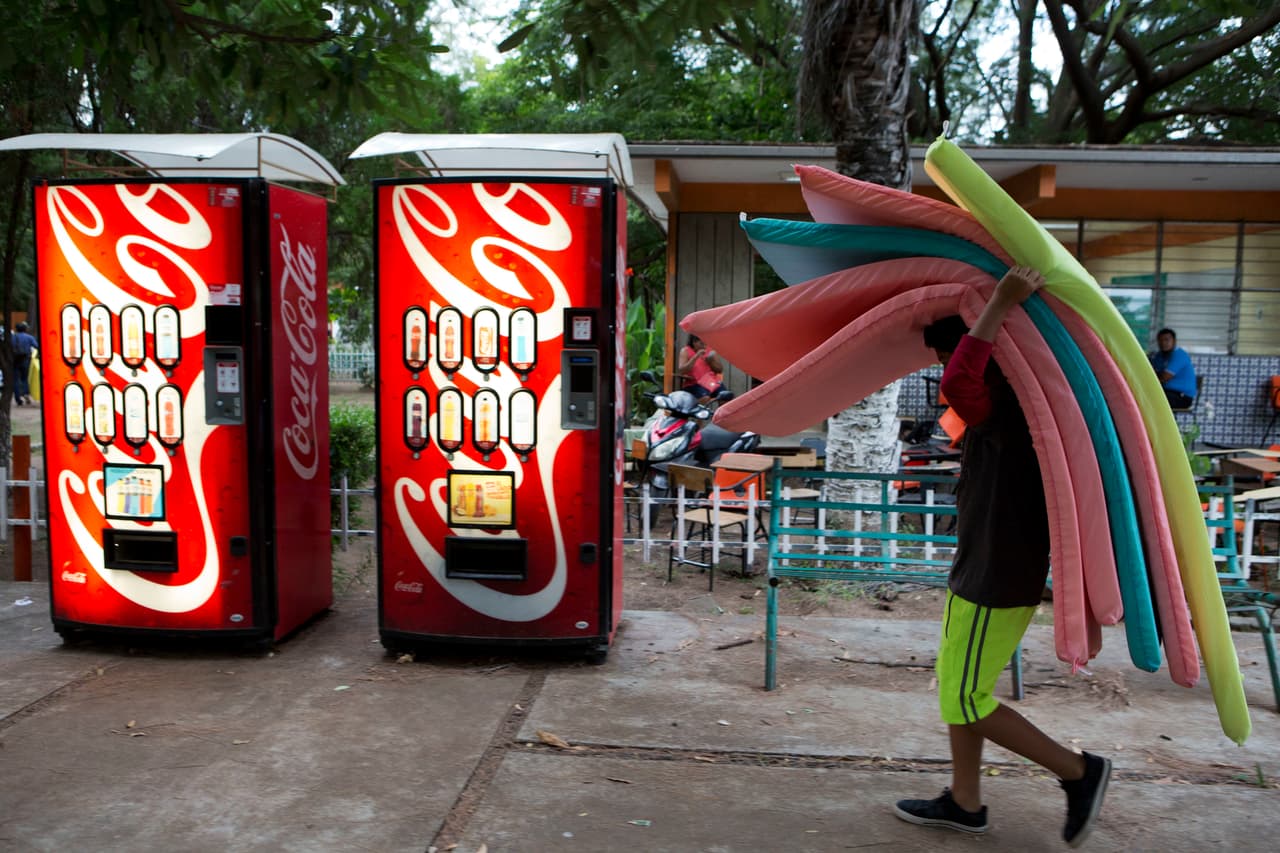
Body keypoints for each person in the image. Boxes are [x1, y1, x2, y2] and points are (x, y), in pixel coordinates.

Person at [895, 266, 1111, 848]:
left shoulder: (1012, 403)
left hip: (997, 575)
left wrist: (1000, 304)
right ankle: (965, 802)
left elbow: (962, 384)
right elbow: (960, 391)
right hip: (980, 570)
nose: (947, 367)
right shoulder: (1010, 408)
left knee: (966, 694)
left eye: (949, 355)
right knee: (956, 686)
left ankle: (1078, 771)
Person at [1149, 328, 1196, 409]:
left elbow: (1164, 377)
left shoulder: (1179, 355)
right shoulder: (1159, 356)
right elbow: (1150, 373)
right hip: (1167, 393)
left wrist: (1157, 375)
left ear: (1174, 341)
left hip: (1182, 397)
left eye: (1167, 340)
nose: (1163, 343)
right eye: (1160, 340)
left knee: (1150, 399)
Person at [676, 333, 725, 400]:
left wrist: (711, 362)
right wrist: (696, 357)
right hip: (694, 384)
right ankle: (697, 410)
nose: (704, 346)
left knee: (725, 396)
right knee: (704, 397)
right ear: (694, 342)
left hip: (710, 382)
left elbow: (720, 370)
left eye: (705, 343)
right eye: (701, 343)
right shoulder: (685, 351)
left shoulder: (710, 350)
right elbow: (682, 370)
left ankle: (720, 411)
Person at [10, 321, 38, 406]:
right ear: (25, 329)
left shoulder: (13, 337)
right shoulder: (29, 337)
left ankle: (18, 398)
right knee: (24, 378)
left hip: (15, 360)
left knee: (15, 379)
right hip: (26, 359)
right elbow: (36, 346)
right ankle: (25, 393)